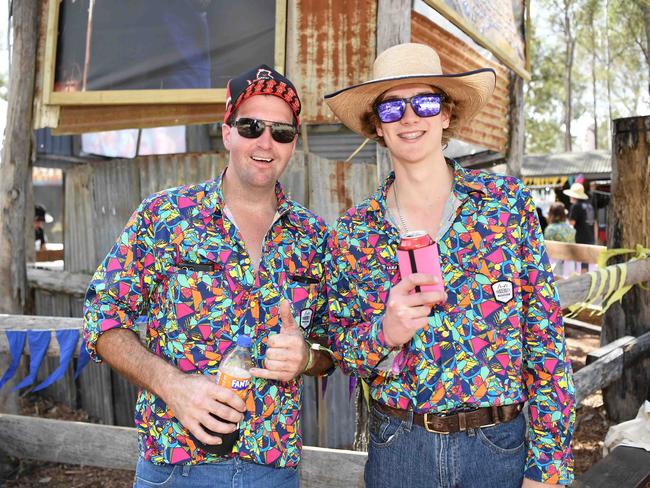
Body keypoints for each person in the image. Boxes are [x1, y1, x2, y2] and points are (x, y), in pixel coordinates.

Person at [324, 43, 575, 487]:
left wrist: (548, 468)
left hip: (498, 446)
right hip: (400, 447)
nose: (409, 117)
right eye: (391, 108)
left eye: (424, 102)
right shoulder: (353, 232)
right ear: (376, 127)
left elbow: (546, 340)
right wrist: (385, 332)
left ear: (445, 114)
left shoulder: (504, 206)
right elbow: (343, 350)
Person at [83, 64, 333, 488]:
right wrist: (171, 385)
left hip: (272, 471)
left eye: (282, 132)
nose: (266, 143)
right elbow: (102, 319)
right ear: (228, 132)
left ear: (293, 144)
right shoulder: (166, 216)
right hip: (174, 469)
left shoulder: (314, 237)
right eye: (251, 126)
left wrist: (307, 358)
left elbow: (334, 347)